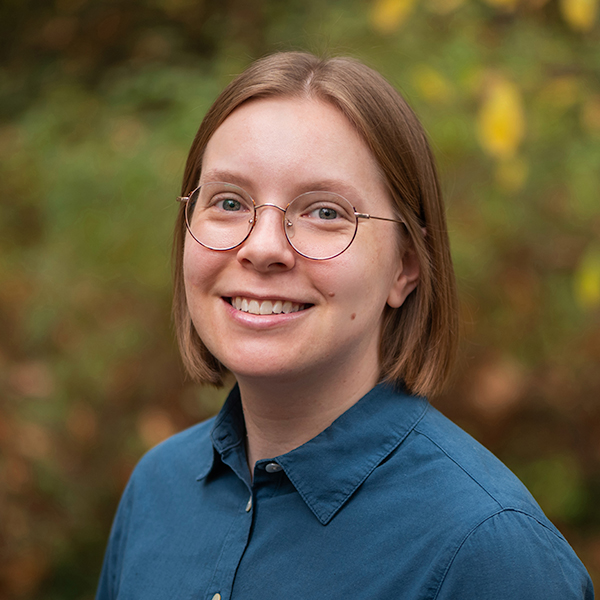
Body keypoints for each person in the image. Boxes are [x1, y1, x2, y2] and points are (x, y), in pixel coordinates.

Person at [96, 52, 594, 599]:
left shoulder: (489, 553)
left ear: (405, 266)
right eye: (229, 201)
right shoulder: (157, 490)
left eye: (325, 212)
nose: (262, 248)